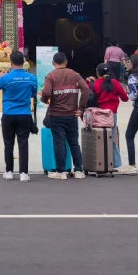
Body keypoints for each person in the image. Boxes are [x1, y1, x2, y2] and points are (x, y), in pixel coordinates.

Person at [40, 51, 89, 180]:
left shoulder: (51, 76)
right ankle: (79, 170)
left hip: (56, 114)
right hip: (72, 114)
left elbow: (46, 92)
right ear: (66, 62)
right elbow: (86, 89)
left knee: (59, 142)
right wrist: (81, 108)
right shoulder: (75, 75)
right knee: (74, 142)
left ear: (53, 63)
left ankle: (61, 172)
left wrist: (45, 101)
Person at [0, 50, 37, 182]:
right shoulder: (31, 78)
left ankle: (9, 171)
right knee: (23, 143)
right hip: (24, 114)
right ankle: (23, 173)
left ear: (11, 63)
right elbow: (33, 94)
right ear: (24, 62)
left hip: (9, 114)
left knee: (8, 143)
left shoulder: (6, 78)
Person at [89, 63, 129, 169]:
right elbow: (125, 99)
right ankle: (115, 163)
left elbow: (90, 97)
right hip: (112, 115)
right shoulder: (115, 83)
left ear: (98, 73)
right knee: (110, 138)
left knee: (98, 138)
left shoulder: (96, 84)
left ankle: (98, 162)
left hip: (99, 115)